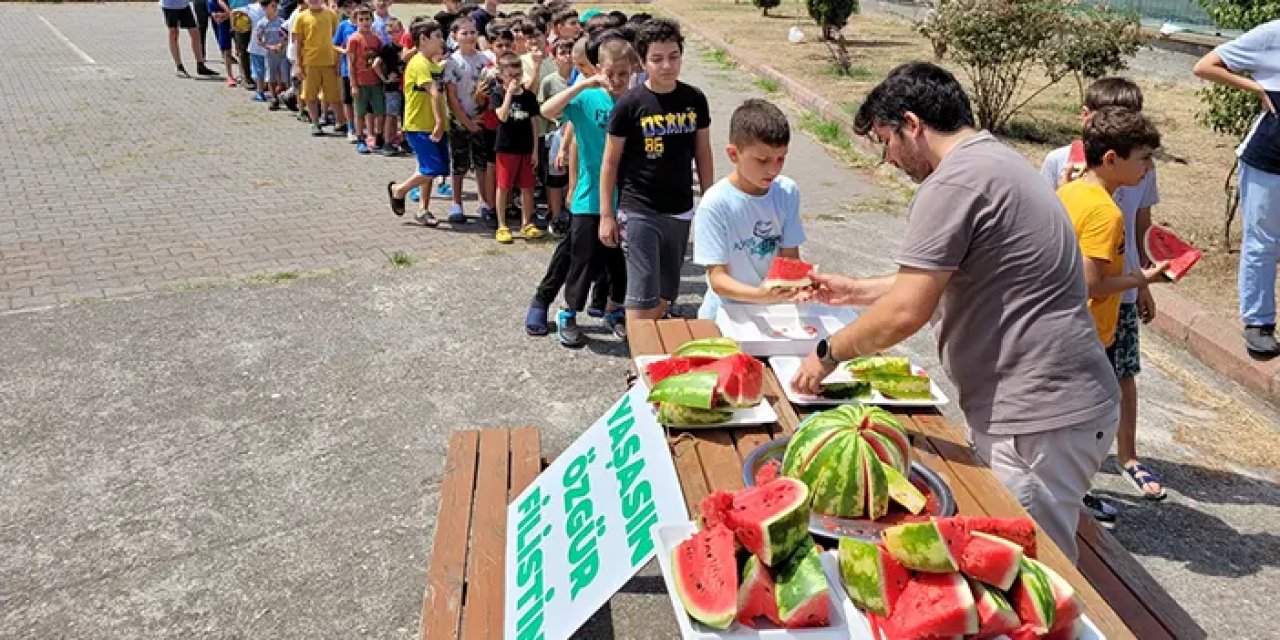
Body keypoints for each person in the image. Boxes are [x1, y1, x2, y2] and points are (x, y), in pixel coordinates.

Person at [790, 62, 1120, 562]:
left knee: (1029, 568)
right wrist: (854, 289)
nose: (890, 159)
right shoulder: (994, 160)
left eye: (887, 142)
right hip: (1060, 407)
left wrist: (827, 352)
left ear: (912, 124)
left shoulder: (953, 183)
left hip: (1037, 419)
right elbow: (951, 276)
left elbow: (908, 310)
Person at [1041, 78, 1167, 508]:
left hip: (1064, 322)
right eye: (1144, 158)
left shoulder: (1075, 191)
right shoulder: (1104, 210)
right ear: (1112, 157)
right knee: (1090, 415)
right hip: (1087, 329)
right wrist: (1142, 280)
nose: (1149, 166)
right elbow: (1091, 282)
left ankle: (1063, 488)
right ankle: (1071, 495)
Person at [600, 18, 713, 324]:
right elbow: (610, 162)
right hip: (639, 210)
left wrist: (709, 201)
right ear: (642, 61)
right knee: (641, 292)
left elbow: (702, 151)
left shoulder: (694, 99)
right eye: (657, 59)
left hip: (679, 209)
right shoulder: (629, 104)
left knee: (665, 291)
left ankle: (652, 351)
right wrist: (606, 215)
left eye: (673, 56)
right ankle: (639, 364)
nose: (666, 66)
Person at [539, 38, 635, 347]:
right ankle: (568, 312)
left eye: (624, 74)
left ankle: (614, 310)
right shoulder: (588, 99)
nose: (617, 80)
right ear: (599, 70)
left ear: (633, 71)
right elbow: (547, 109)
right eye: (611, 73)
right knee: (582, 260)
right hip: (588, 198)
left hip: (626, 200)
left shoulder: (634, 103)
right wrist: (585, 84)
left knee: (617, 264)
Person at [1193, 20, 1280, 360]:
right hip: (1269, 158)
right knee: (1263, 240)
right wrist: (1256, 88)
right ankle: (1258, 322)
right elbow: (1205, 66)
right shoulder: (1273, 33)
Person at [694, 99, 807, 320]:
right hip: (724, 314)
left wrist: (799, 284)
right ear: (733, 154)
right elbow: (718, 279)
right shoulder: (715, 203)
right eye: (762, 160)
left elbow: (791, 257)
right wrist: (760, 295)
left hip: (773, 313)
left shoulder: (787, 191)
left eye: (780, 159)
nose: (773, 169)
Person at [386, 19, 450, 227]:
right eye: (437, 37)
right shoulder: (419, 63)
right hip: (420, 125)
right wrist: (440, 123)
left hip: (432, 125)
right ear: (423, 39)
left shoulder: (431, 63)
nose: (442, 41)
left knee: (429, 169)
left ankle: (423, 209)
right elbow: (433, 92)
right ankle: (399, 190)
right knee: (432, 168)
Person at [442, 17, 492, 224]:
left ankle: (484, 202)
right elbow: (452, 97)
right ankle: (456, 203)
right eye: (464, 33)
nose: (470, 36)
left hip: (480, 118)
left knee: (481, 162)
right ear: (454, 36)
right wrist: (465, 121)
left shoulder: (485, 60)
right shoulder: (452, 63)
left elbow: (488, 91)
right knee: (459, 164)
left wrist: (481, 115)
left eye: (473, 32)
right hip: (459, 121)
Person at [493, 53, 545, 243]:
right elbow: (502, 116)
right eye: (510, 75)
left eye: (518, 74)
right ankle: (501, 224)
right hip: (506, 148)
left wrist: (534, 151)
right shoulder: (498, 93)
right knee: (503, 186)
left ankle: (527, 223)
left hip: (525, 148)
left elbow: (534, 124)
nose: (515, 79)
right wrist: (508, 93)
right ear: (501, 75)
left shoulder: (529, 96)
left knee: (528, 187)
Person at [475, 24, 516, 228]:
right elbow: (479, 100)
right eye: (499, 45)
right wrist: (480, 95)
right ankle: (491, 205)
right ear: (492, 46)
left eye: (508, 45)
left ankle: (508, 204)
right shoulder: (488, 71)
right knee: (492, 167)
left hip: (512, 125)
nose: (504, 49)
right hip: (492, 125)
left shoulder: (516, 69)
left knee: (509, 167)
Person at [293, 0, 347, 136]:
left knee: (334, 96)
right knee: (310, 95)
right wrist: (298, 65)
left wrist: (338, 61)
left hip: (330, 62)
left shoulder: (331, 15)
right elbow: (298, 44)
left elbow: (338, 39)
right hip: (310, 62)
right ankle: (315, 123)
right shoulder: (301, 17)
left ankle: (341, 123)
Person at [347, 6, 386, 154]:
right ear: (356, 21)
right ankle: (360, 138)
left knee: (379, 111)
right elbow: (351, 64)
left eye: (367, 19)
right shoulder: (353, 39)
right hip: (361, 82)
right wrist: (353, 85)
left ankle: (379, 137)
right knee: (360, 112)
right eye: (361, 20)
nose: (365, 22)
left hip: (375, 81)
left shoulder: (376, 39)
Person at [161, 0, 216, 78]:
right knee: (174, 33)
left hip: (184, 5)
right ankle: (179, 66)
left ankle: (200, 65)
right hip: (169, 6)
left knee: (195, 32)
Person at [375, 17, 406, 155]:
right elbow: (375, 64)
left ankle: (400, 140)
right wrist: (385, 79)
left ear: (402, 30)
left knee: (404, 115)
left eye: (395, 31)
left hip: (405, 85)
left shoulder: (406, 48)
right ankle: (387, 142)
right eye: (389, 32)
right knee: (391, 115)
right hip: (392, 87)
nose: (393, 35)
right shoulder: (387, 48)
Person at [333, 7, 360, 141]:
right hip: (346, 69)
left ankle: (361, 127)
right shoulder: (343, 26)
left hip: (363, 71)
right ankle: (351, 127)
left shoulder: (366, 26)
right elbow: (335, 44)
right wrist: (343, 51)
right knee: (348, 100)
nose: (352, 8)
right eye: (349, 5)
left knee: (361, 101)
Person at [246, 0, 272, 101]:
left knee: (258, 70)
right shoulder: (275, 7)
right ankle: (272, 92)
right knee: (270, 70)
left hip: (256, 44)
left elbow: (235, 13)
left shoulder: (250, 8)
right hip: (271, 44)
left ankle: (260, 92)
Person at [209, 0, 239, 86]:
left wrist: (228, 14)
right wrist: (230, 13)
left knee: (241, 48)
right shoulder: (212, 2)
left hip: (238, 18)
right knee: (226, 50)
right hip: (225, 21)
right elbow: (217, 17)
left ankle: (244, 74)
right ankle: (230, 76)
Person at [230, 0, 257, 90]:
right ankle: (246, 78)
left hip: (255, 15)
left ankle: (254, 77)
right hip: (239, 18)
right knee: (242, 51)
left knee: (253, 49)